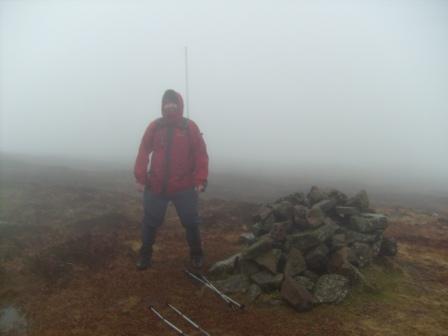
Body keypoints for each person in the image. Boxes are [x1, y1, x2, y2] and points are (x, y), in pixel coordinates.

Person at [134, 89, 209, 271]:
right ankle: (145, 255)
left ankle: (197, 254)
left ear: (179, 105)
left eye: (173, 103)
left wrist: (200, 179)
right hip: (156, 186)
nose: (170, 106)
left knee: (191, 222)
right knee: (150, 222)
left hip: (184, 186)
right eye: (166, 103)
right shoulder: (155, 126)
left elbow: (201, 154)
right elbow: (144, 150)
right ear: (162, 106)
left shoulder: (189, 127)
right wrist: (140, 177)